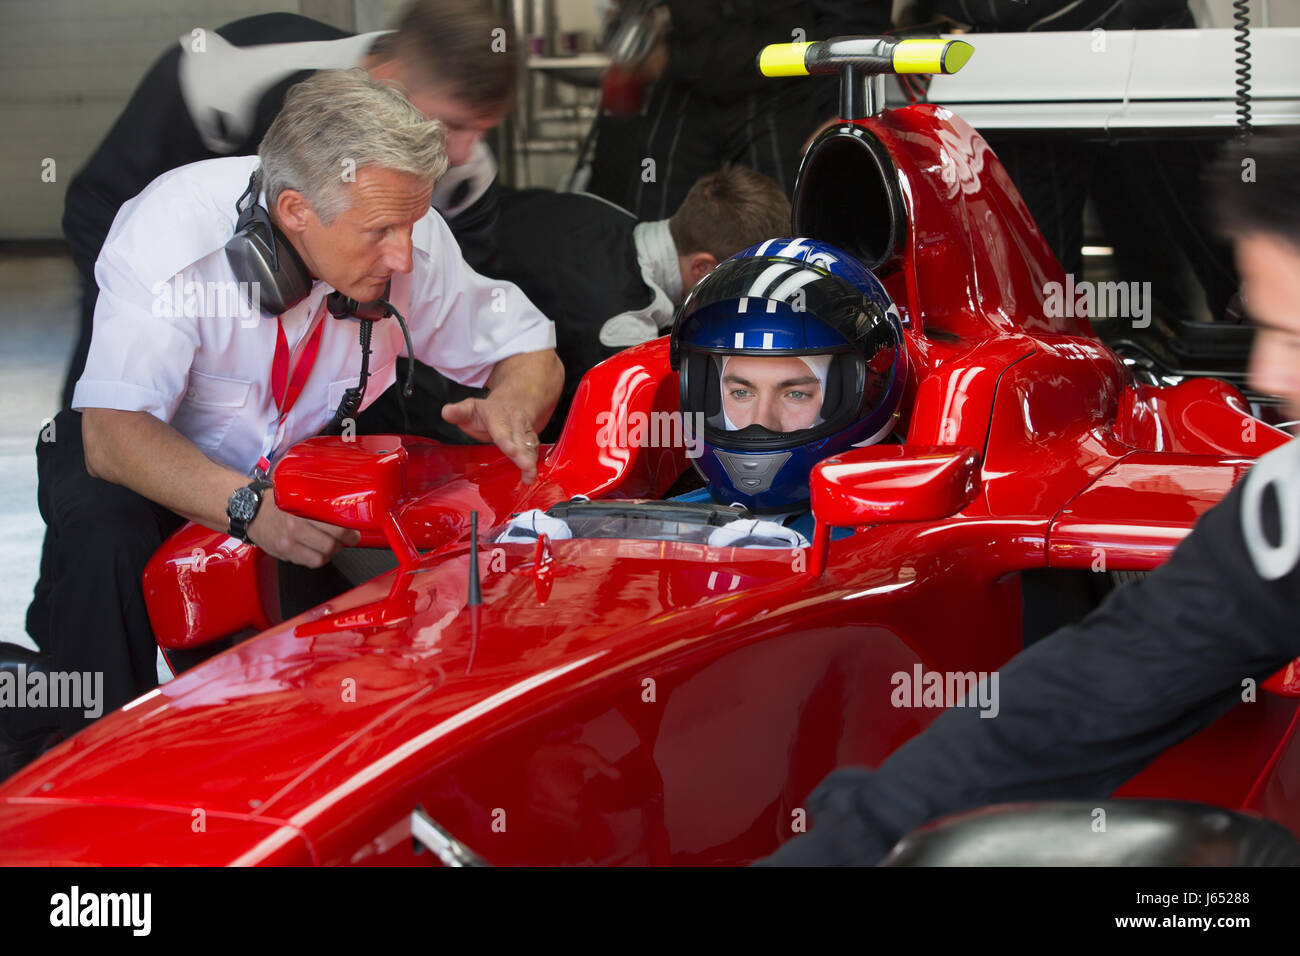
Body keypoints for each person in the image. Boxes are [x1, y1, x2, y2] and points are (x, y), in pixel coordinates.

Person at [760, 132, 1300, 866]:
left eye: (1296, 339)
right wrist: (856, 841)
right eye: (1265, 330)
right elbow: (1110, 678)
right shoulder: (1288, 505)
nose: (1268, 374)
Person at [16, 71, 563, 761]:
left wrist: (513, 401)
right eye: (379, 233)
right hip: (145, 461)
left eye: (411, 226)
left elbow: (527, 346)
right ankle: (95, 775)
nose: (403, 255)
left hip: (292, 474)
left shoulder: (405, 232)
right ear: (297, 210)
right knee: (105, 541)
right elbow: (112, 435)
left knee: (328, 671)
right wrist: (251, 510)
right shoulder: (172, 231)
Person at [58, 0, 519, 410]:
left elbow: (457, 308)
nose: (462, 152)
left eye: (483, 129)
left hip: (312, 315)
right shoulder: (231, 75)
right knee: (116, 408)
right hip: (145, 230)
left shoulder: (468, 172)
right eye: (452, 126)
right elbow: (97, 203)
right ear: (388, 81)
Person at [497, 235, 908, 551]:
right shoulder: (626, 521)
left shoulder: (896, 539)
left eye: (796, 394)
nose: (760, 420)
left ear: (865, 394)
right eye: (741, 391)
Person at [361, 165, 793, 442]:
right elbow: (599, 437)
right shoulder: (626, 328)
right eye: (741, 287)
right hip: (411, 411)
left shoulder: (594, 209)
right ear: (703, 268)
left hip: (402, 330)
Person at [584, 1, 893, 220]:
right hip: (687, 81)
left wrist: (839, 106)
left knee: (786, 233)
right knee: (656, 227)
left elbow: (853, 11)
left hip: (786, 86)